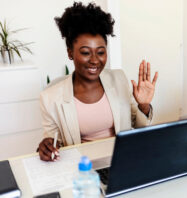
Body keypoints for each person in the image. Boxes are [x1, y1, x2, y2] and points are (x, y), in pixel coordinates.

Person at [38, 2, 158, 162]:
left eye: (100, 52)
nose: (94, 60)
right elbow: (54, 143)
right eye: (86, 52)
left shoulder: (119, 79)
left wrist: (143, 105)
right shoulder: (50, 98)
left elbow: (138, 127)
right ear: (70, 53)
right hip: (84, 169)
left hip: (123, 160)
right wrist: (47, 146)